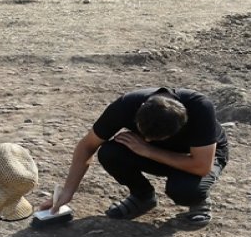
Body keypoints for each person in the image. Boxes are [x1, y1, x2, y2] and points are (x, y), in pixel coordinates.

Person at [42, 87, 228, 227]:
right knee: (109, 152)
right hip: (149, 151)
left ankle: (198, 200)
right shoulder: (126, 105)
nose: (146, 139)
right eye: (143, 133)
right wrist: (67, 191)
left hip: (198, 157)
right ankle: (143, 196)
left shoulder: (200, 108)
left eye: (156, 139)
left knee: (184, 191)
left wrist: (148, 150)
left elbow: (201, 165)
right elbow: (87, 146)